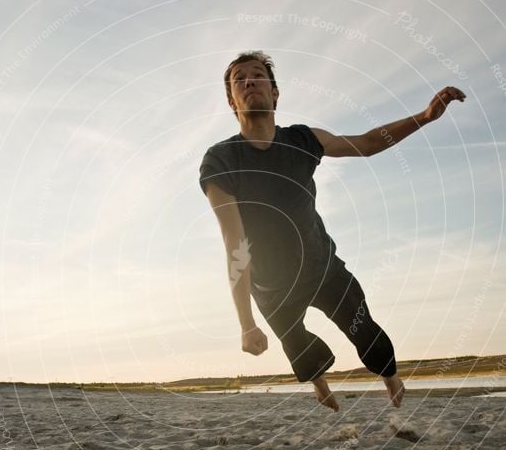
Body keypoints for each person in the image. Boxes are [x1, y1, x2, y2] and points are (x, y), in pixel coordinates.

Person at [199, 51, 466, 411]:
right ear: (232, 101)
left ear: (275, 93)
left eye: (258, 75)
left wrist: (425, 117)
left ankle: (390, 375)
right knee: (300, 351)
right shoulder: (220, 160)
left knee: (365, 333)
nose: (249, 81)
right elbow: (235, 243)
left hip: (323, 267)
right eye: (240, 79)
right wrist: (246, 323)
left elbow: (368, 143)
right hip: (272, 288)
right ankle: (319, 382)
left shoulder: (303, 139)